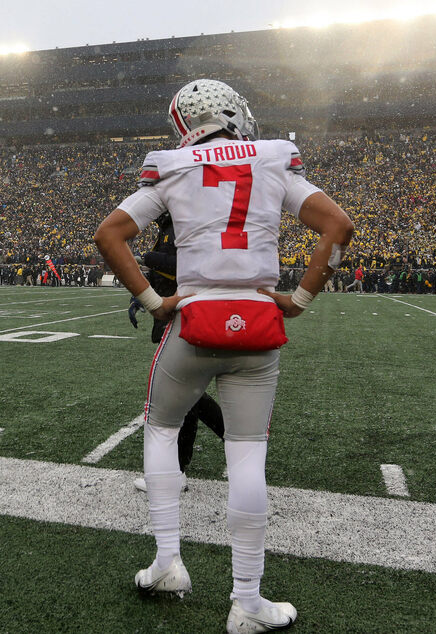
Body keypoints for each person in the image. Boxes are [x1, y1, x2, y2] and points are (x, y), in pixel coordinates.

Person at [94, 79, 353, 633]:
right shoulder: (273, 159)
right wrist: (301, 297)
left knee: (162, 429)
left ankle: (167, 564)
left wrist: (154, 301)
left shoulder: (172, 167)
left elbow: (109, 235)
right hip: (257, 328)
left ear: (188, 123)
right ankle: (248, 601)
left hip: (193, 324)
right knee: (246, 455)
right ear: (233, 112)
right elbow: (339, 226)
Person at [129, 211, 225, 493]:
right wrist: (140, 290)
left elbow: (183, 266)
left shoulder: (181, 222)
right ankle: (231, 443)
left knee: (180, 392)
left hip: (181, 313)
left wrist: (145, 258)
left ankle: (179, 469)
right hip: (175, 311)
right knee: (187, 394)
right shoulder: (172, 223)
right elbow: (167, 270)